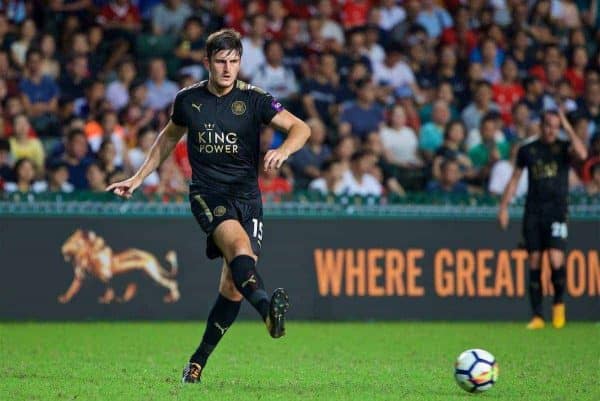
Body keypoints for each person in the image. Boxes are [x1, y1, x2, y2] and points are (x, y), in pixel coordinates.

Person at [106, 29, 311, 383]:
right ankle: (268, 313)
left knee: (233, 284)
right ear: (207, 63)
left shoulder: (255, 100)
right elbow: (169, 136)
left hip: (248, 199)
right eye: (221, 62)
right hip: (208, 194)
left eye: (234, 61)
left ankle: (197, 362)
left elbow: (300, 128)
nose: (228, 68)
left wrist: (284, 150)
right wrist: (138, 178)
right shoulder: (188, 100)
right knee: (238, 247)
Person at [498, 110, 588, 330]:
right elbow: (515, 178)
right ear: (541, 125)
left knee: (556, 259)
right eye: (548, 125)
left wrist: (568, 127)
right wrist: (503, 207)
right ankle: (537, 315)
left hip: (557, 211)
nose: (551, 130)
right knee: (535, 261)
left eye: (555, 126)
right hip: (534, 212)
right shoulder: (528, 150)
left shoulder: (563, 149)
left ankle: (558, 308)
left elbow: (583, 154)